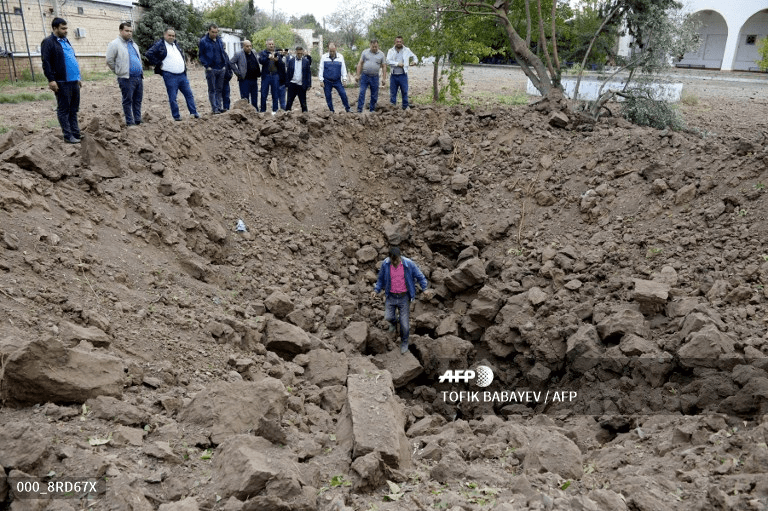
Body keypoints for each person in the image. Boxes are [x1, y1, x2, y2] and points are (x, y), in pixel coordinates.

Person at [371, 247, 428, 354]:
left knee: (405, 324)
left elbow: (420, 276)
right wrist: (376, 290)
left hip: (404, 297)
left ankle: (404, 342)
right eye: (393, 260)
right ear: (389, 258)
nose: (395, 262)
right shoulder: (385, 264)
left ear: (400, 257)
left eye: (397, 260)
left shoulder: (409, 264)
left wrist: (424, 289)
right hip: (391, 296)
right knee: (388, 317)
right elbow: (380, 279)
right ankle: (394, 322)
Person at [40, 17, 81, 143]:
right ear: (54, 28)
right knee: (64, 109)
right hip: (61, 82)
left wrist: (78, 77)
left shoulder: (66, 41)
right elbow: (46, 62)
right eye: (63, 28)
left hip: (73, 81)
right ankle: (68, 136)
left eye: (66, 28)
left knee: (74, 109)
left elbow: (71, 59)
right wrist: (51, 80)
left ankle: (76, 133)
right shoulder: (48, 42)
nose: (65, 30)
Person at [145, 28, 200, 121]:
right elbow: (148, 54)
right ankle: (176, 116)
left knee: (189, 94)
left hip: (182, 75)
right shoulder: (160, 45)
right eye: (169, 35)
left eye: (173, 36)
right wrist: (158, 63)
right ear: (164, 35)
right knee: (173, 97)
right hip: (170, 75)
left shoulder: (176, 45)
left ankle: (193, 113)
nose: (171, 37)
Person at [106, 22, 143, 126]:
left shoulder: (134, 44)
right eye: (127, 31)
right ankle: (130, 122)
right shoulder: (115, 44)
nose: (129, 33)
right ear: (121, 31)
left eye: (131, 31)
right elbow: (109, 60)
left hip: (138, 77)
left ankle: (137, 119)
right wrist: (118, 71)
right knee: (128, 101)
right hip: (126, 78)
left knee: (138, 100)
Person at [198, 24, 228, 114]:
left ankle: (219, 107)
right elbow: (201, 55)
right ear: (208, 31)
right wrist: (207, 66)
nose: (214, 34)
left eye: (216, 32)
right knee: (212, 90)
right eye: (213, 32)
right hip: (211, 70)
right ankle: (214, 108)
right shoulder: (203, 41)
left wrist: (224, 65)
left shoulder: (219, 40)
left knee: (219, 89)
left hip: (220, 69)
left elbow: (223, 52)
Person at [386, 36, 418, 110]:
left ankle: (405, 106)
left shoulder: (407, 50)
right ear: (395, 42)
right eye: (397, 42)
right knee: (393, 92)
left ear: (402, 42)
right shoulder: (390, 51)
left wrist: (414, 62)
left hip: (403, 75)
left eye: (400, 42)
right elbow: (387, 61)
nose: (399, 43)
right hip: (393, 75)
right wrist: (397, 64)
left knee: (404, 91)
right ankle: (393, 107)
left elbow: (415, 57)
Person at [355, 38, 386, 113]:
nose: (374, 48)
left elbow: (384, 66)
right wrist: (357, 75)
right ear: (370, 45)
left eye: (376, 47)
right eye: (373, 47)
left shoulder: (381, 54)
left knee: (374, 94)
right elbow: (360, 63)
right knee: (362, 92)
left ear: (378, 46)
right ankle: (359, 110)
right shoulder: (365, 52)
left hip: (375, 77)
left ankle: (372, 110)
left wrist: (384, 78)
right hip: (365, 76)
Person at [318, 43, 350, 113]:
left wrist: (344, 79)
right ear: (328, 50)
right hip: (327, 81)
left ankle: (347, 108)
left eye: (333, 51)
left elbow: (343, 69)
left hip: (337, 80)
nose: (332, 53)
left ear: (336, 49)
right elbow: (321, 68)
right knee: (328, 96)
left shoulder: (340, 57)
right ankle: (331, 110)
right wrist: (321, 80)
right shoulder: (324, 57)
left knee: (343, 93)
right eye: (330, 51)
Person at [229, 39, 260, 109]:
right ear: (243, 46)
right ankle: (245, 112)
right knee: (245, 99)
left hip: (254, 79)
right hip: (244, 80)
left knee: (255, 98)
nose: (249, 48)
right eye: (247, 46)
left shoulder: (254, 52)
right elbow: (231, 62)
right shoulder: (238, 53)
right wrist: (237, 73)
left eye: (250, 46)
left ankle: (255, 112)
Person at [258, 39, 285, 113]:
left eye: (272, 44)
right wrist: (268, 57)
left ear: (274, 45)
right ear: (267, 45)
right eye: (269, 44)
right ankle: (263, 110)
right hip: (266, 75)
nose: (271, 45)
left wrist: (277, 60)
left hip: (275, 76)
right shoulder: (263, 53)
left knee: (275, 94)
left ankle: (275, 110)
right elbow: (261, 61)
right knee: (263, 94)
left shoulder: (277, 53)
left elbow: (282, 65)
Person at [285, 46, 312, 112]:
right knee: (289, 103)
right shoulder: (291, 61)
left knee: (303, 103)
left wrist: (309, 84)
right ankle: (286, 117)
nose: (299, 54)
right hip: (292, 84)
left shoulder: (306, 61)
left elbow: (308, 73)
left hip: (301, 85)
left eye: (301, 53)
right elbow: (288, 73)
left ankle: (305, 117)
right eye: (298, 53)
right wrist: (287, 84)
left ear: (302, 52)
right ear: (296, 52)